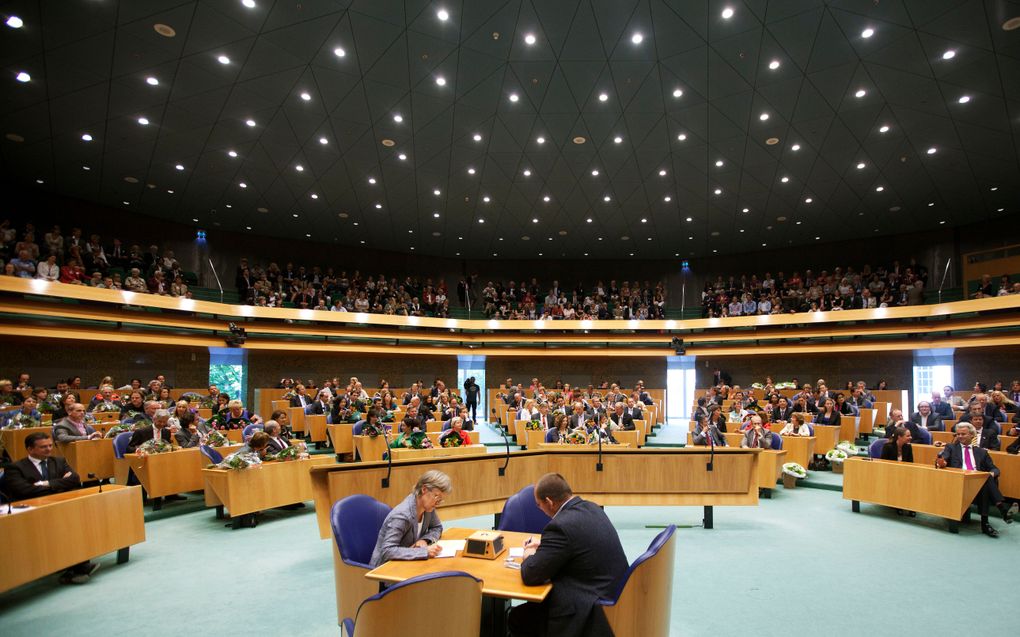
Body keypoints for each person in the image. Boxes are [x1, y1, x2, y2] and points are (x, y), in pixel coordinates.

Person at [509, 473, 628, 637]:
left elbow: (531, 574)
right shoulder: (591, 507)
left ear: (549, 502)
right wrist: (545, 545)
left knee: (518, 617)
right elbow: (576, 543)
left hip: (591, 610)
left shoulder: (560, 526)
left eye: (539, 505)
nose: (540, 509)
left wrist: (528, 553)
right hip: (613, 595)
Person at [2, 432, 100, 584]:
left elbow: (75, 479)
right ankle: (78, 567)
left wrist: (45, 484)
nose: (48, 449)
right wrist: (60, 483)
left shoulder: (59, 461)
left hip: (59, 505)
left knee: (75, 522)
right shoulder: (15, 468)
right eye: (43, 447)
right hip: (31, 510)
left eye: (49, 445)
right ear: (30, 449)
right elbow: (24, 491)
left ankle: (76, 567)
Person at [936, 423, 1013, 537]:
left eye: (963, 434)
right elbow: (943, 460)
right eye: (958, 434)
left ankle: (986, 522)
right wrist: (942, 463)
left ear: (972, 435)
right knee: (985, 480)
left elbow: (995, 469)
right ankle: (999, 510)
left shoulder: (981, 452)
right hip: (959, 481)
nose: (960, 436)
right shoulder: (951, 448)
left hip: (978, 483)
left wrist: (992, 473)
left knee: (986, 478)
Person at [368, 470, 450, 567]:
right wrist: (424, 552)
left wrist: (425, 540)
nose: (438, 503)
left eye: (440, 499)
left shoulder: (427, 508)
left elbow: (437, 527)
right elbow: (387, 551)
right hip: (385, 570)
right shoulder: (402, 515)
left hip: (408, 563)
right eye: (436, 497)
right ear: (424, 489)